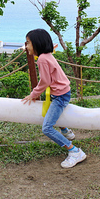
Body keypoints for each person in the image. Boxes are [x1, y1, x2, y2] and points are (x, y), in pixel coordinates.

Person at [21, 28, 86, 168]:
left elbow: (45, 81)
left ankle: (74, 151)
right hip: (61, 92)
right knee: (50, 113)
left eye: (28, 43)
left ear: (37, 43)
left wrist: (33, 94)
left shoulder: (42, 59)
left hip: (60, 96)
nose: (26, 46)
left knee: (47, 128)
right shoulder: (47, 55)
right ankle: (65, 131)